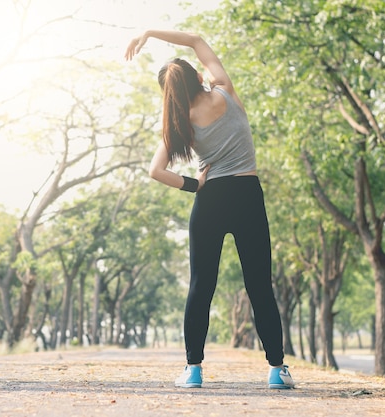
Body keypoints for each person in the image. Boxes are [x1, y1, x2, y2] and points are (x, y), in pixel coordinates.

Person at [125, 30, 295, 389]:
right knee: (259, 286)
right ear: (196, 76)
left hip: (211, 198)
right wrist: (150, 33)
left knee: (202, 286)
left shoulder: (179, 123)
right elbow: (197, 40)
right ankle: (277, 371)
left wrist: (193, 184)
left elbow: (155, 171)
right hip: (248, 193)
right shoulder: (224, 91)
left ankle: (193, 371)